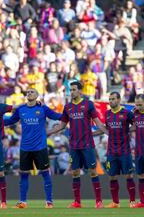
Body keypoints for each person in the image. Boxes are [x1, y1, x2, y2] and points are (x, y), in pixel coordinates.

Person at [48, 81, 107, 209]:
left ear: (80, 91)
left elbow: (97, 122)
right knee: (74, 172)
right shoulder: (67, 107)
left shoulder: (88, 104)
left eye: (74, 89)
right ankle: (77, 202)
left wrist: (106, 131)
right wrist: (48, 132)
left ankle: (98, 201)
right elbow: (62, 125)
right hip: (74, 145)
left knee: (92, 171)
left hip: (87, 144)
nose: (72, 92)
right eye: (71, 89)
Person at [4, 88, 61, 208]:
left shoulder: (43, 108)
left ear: (37, 95)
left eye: (32, 92)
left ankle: (49, 202)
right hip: (25, 148)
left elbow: (57, 116)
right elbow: (10, 121)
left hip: (40, 147)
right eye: (28, 92)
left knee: (45, 173)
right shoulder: (21, 109)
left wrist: (70, 115)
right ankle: (23, 202)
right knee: (23, 174)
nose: (29, 93)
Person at [103, 92, 137, 208]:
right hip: (111, 151)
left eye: (113, 99)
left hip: (124, 150)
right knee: (112, 176)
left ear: (118, 100)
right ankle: (115, 202)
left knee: (128, 175)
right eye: (109, 99)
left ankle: (132, 201)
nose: (110, 101)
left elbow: (136, 124)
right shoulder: (107, 114)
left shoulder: (126, 113)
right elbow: (107, 128)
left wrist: (128, 130)